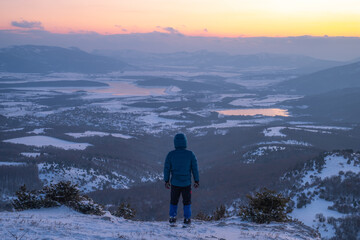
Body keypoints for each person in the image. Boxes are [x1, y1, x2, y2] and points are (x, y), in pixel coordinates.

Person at [164, 133, 199, 226]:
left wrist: (166, 181)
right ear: (185, 142)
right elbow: (194, 168)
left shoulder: (170, 155)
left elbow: (166, 168)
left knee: (173, 201)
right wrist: (196, 180)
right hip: (186, 184)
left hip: (175, 183)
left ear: (175, 142)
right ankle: (187, 219)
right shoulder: (190, 154)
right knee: (187, 202)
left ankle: (172, 217)